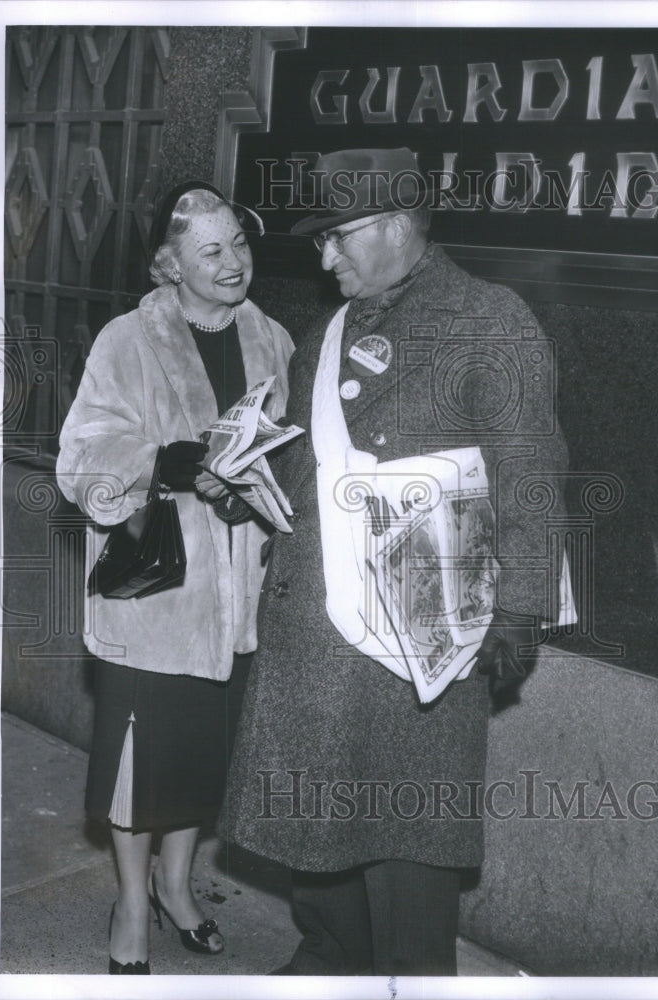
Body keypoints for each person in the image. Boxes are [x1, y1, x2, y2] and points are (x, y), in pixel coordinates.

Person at [221, 148, 569, 976]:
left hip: (416, 631)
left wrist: (518, 609)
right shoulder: (324, 332)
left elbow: (530, 472)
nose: (325, 256)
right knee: (316, 828)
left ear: (397, 226)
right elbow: (303, 474)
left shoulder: (491, 319)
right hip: (315, 622)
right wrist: (238, 479)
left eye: (338, 236)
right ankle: (331, 957)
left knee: (406, 841)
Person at [56, 181, 294, 974]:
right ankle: (131, 902)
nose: (233, 264)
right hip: (156, 593)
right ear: (172, 265)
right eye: (212, 252)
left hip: (236, 594)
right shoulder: (128, 341)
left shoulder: (274, 341)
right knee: (138, 768)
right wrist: (163, 464)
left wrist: (245, 492)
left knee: (199, 759)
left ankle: (178, 887)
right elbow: (80, 461)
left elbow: (277, 460)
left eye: (241, 245)